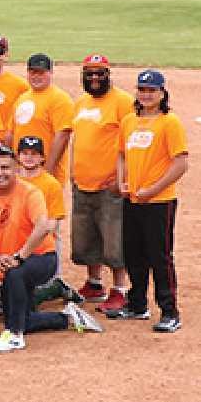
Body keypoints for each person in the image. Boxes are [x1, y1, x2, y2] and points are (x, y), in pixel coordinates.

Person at [0, 147, 99, 351]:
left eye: (5, 167)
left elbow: (43, 226)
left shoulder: (31, 193)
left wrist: (20, 256)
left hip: (41, 258)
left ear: (16, 169)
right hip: (7, 263)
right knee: (20, 317)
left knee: (15, 277)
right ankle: (67, 318)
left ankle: (15, 336)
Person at [113, 69, 188, 333]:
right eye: (142, 90)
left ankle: (170, 311)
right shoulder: (129, 121)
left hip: (159, 202)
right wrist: (122, 182)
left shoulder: (170, 122)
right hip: (132, 199)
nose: (146, 95)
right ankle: (137, 304)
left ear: (162, 93)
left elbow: (181, 163)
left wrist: (153, 189)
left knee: (160, 256)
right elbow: (121, 154)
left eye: (151, 90)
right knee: (134, 253)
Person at [67, 54, 133, 310]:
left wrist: (122, 179)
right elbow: (78, 139)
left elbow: (129, 145)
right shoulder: (80, 103)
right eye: (90, 73)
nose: (95, 78)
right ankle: (94, 283)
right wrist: (73, 169)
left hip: (110, 185)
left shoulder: (123, 102)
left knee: (114, 240)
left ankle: (119, 289)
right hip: (82, 182)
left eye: (100, 73)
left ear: (108, 75)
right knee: (86, 237)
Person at [9, 53, 74, 186]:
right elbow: (11, 133)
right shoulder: (22, 98)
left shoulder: (60, 99)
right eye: (33, 72)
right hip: (22, 173)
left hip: (46, 173)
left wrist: (47, 171)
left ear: (50, 73)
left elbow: (62, 136)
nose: (36, 76)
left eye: (41, 73)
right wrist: (13, 164)